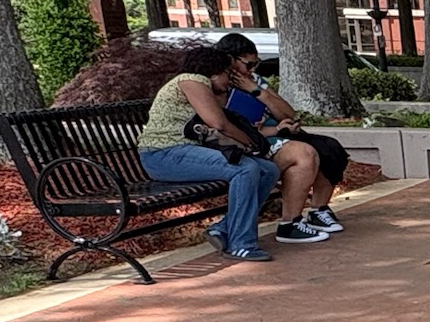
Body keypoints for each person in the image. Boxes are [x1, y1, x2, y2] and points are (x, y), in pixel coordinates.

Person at [137, 47, 326, 260]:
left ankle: (223, 228)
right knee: (246, 169)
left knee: (268, 169)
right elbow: (219, 124)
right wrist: (251, 144)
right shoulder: (192, 80)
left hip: (184, 153)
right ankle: (241, 244)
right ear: (215, 72)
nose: (229, 80)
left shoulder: (204, 86)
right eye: (228, 73)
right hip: (164, 155)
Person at [213, 32, 351, 235]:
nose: (252, 70)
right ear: (230, 60)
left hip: (274, 132)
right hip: (253, 140)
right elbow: (229, 126)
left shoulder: (254, 81)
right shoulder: (219, 84)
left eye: (255, 64)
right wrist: (276, 129)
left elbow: (288, 114)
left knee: (330, 148)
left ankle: (318, 209)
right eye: (248, 64)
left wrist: (256, 90)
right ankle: (290, 222)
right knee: (305, 154)